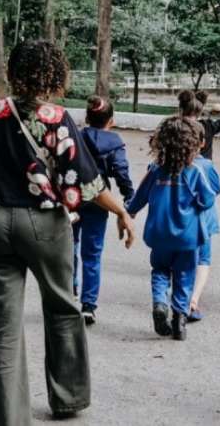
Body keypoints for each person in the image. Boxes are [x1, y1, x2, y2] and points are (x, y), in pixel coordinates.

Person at [0, 40, 136, 425]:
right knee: (62, 307)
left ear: (12, 72)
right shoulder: (56, 118)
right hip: (44, 222)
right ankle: (68, 397)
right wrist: (123, 213)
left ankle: (6, 416)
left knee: (1, 323)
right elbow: (85, 183)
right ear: (55, 75)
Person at [126, 116, 217, 341]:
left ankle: (160, 303)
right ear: (192, 144)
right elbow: (207, 200)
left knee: (159, 271)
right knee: (185, 275)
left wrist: (130, 212)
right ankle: (179, 318)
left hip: (159, 235)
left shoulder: (156, 170)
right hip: (188, 237)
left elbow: (139, 198)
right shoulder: (194, 171)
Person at [75, 95, 135, 325]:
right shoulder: (115, 141)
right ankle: (88, 305)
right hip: (101, 200)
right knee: (92, 253)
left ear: (87, 117)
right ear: (111, 120)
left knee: (69, 246)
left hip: (74, 197)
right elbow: (121, 170)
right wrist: (128, 197)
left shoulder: (77, 136)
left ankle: (69, 292)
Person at [187, 138, 220, 322]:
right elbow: (216, 189)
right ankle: (193, 300)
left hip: (183, 221)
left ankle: (181, 298)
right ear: (201, 143)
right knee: (203, 259)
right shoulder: (206, 165)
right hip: (205, 219)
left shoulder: (169, 163)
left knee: (184, 260)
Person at [177, 89, 220, 160]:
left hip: (177, 167)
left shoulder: (172, 125)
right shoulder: (207, 125)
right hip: (203, 167)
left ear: (180, 108)